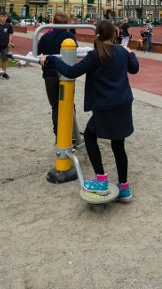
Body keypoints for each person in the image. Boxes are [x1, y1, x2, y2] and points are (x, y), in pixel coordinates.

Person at [42, 19, 139, 202]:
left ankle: (101, 180)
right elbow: (134, 69)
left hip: (105, 105)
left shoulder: (95, 55)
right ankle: (124, 187)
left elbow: (71, 72)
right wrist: (130, 53)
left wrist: (52, 59)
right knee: (118, 144)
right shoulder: (120, 52)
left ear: (98, 36)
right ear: (115, 35)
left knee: (89, 136)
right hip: (123, 104)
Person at [38, 11, 74, 136]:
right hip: (65, 74)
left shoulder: (45, 37)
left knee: (55, 106)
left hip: (49, 75)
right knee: (69, 104)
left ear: (52, 22)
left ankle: (58, 133)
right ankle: (70, 133)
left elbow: (37, 52)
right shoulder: (70, 37)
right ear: (66, 24)